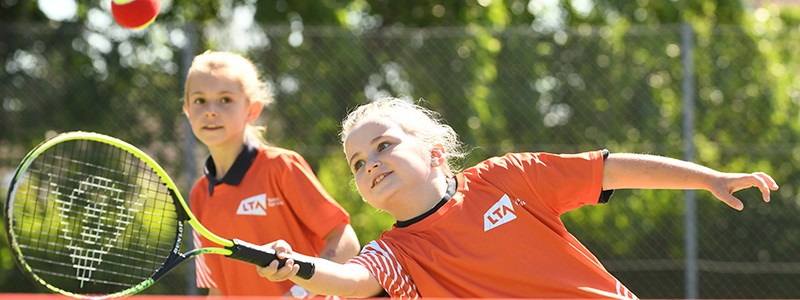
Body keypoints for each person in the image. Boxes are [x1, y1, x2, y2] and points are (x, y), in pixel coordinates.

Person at [256, 97, 779, 298]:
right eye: (358, 163)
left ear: (436, 152)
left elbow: (610, 168)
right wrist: (298, 265)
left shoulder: (508, 178)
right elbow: (351, 281)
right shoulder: (393, 254)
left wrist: (709, 177)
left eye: (384, 146)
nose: (370, 164)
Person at [182, 50, 360, 297]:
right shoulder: (199, 195)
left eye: (225, 100)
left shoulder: (281, 166)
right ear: (187, 109)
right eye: (200, 100)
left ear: (252, 110)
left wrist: (301, 292)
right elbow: (217, 289)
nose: (211, 110)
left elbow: (345, 240)